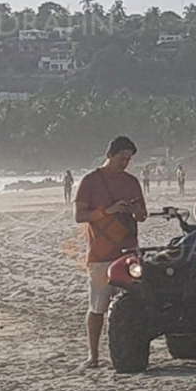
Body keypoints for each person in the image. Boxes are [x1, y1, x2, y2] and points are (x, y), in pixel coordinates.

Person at [74, 136, 147, 368]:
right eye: (121, 158)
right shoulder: (91, 181)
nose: (124, 163)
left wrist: (134, 210)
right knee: (98, 307)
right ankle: (93, 355)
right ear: (109, 155)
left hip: (128, 252)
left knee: (133, 305)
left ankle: (133, 352)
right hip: (100, 254)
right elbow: (80, 216)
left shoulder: (132, 182)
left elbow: (143, 215)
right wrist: (109, 210)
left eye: (128, 159)